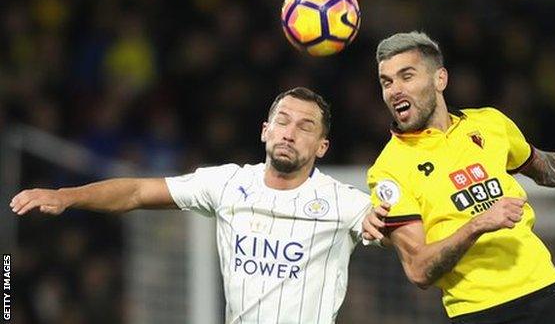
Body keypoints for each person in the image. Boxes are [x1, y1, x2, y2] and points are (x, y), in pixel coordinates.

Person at [10, 87, 371, 324]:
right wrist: (65, 196)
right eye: (283, 121)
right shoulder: (228, 183)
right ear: (265, 130)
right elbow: (136, 191)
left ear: (322, 146)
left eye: (306, 127)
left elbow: (401, 235)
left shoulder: (343, 202)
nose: (290, 133)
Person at [362, 31, 555, 324]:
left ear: (440, 80)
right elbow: (418, 269)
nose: (395, 90)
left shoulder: (489, 123)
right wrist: (478, 224)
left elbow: (549, 168)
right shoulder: (389, 168)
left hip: (551, 291)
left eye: (406, 76)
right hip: (484, 313)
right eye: (387, 82)